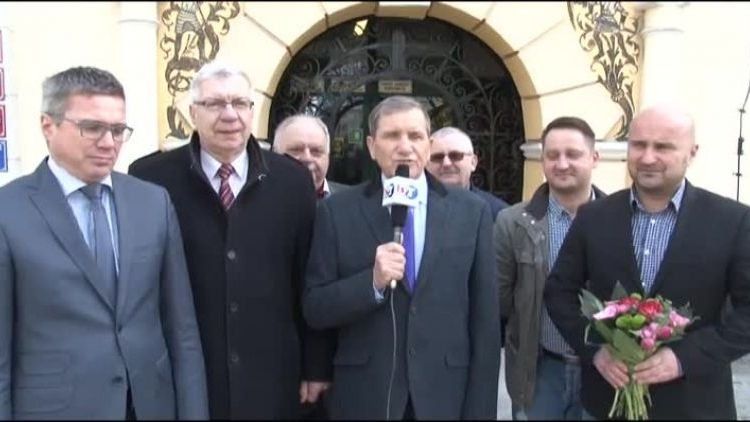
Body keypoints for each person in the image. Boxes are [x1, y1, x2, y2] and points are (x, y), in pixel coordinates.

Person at [0, 66, 208, 419]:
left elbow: (182, 331)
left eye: (118, 130)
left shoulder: (153, 202)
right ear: (48, 126)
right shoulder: (8, 211)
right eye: (92, 128)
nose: (109, 143)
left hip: (149, 406)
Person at [128, 61, 330, 419]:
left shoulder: (292, 180)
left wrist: (315, 365)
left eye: (239, 103)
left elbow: (309, 276)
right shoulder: (151, 178)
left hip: (272, 371)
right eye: (215, 104)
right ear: (192, 112)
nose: (230, 115)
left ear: (252, 112)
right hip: (186, 371)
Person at [545, 104, 750, 419]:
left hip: (695, 405)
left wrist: (684, 359)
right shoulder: (594, 216)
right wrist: (596, 349)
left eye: (663, 147)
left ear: (692, 152)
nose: (647, 157)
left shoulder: (733, 221)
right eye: (638, 145)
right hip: (606, 404)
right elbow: (559, 292)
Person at [303, 95, 500, 420]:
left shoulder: (471, 212)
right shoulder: (336, 212)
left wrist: (480, 411)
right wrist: (372, 282)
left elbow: (485, 321)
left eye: (415, 136)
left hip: (444, 395)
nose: (405, 146)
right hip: (367, 395)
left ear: (429, 144)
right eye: (392, 135)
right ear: (371, 146)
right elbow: (315, 307)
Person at [494, 117, 605, 420]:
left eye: (573, 154)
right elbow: (501, 298)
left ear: (594, 158)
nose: (562, 163)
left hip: (602, 373)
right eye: (552, 155)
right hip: (540, 374)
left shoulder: (619, 220)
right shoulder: (513, 223)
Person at [426, 126, 509, 219]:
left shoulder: (497, 213)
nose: (446, 163)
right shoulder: (417, 209)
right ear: (426, 164)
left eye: (455, 156)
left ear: (473, 162)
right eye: (437, 157)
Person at [272, 114, 347, 199]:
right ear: (275, 154)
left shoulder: (351, 201)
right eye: (296, 150)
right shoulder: (260, 199)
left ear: (328, 157)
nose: (307, 158)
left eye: (316, 151)